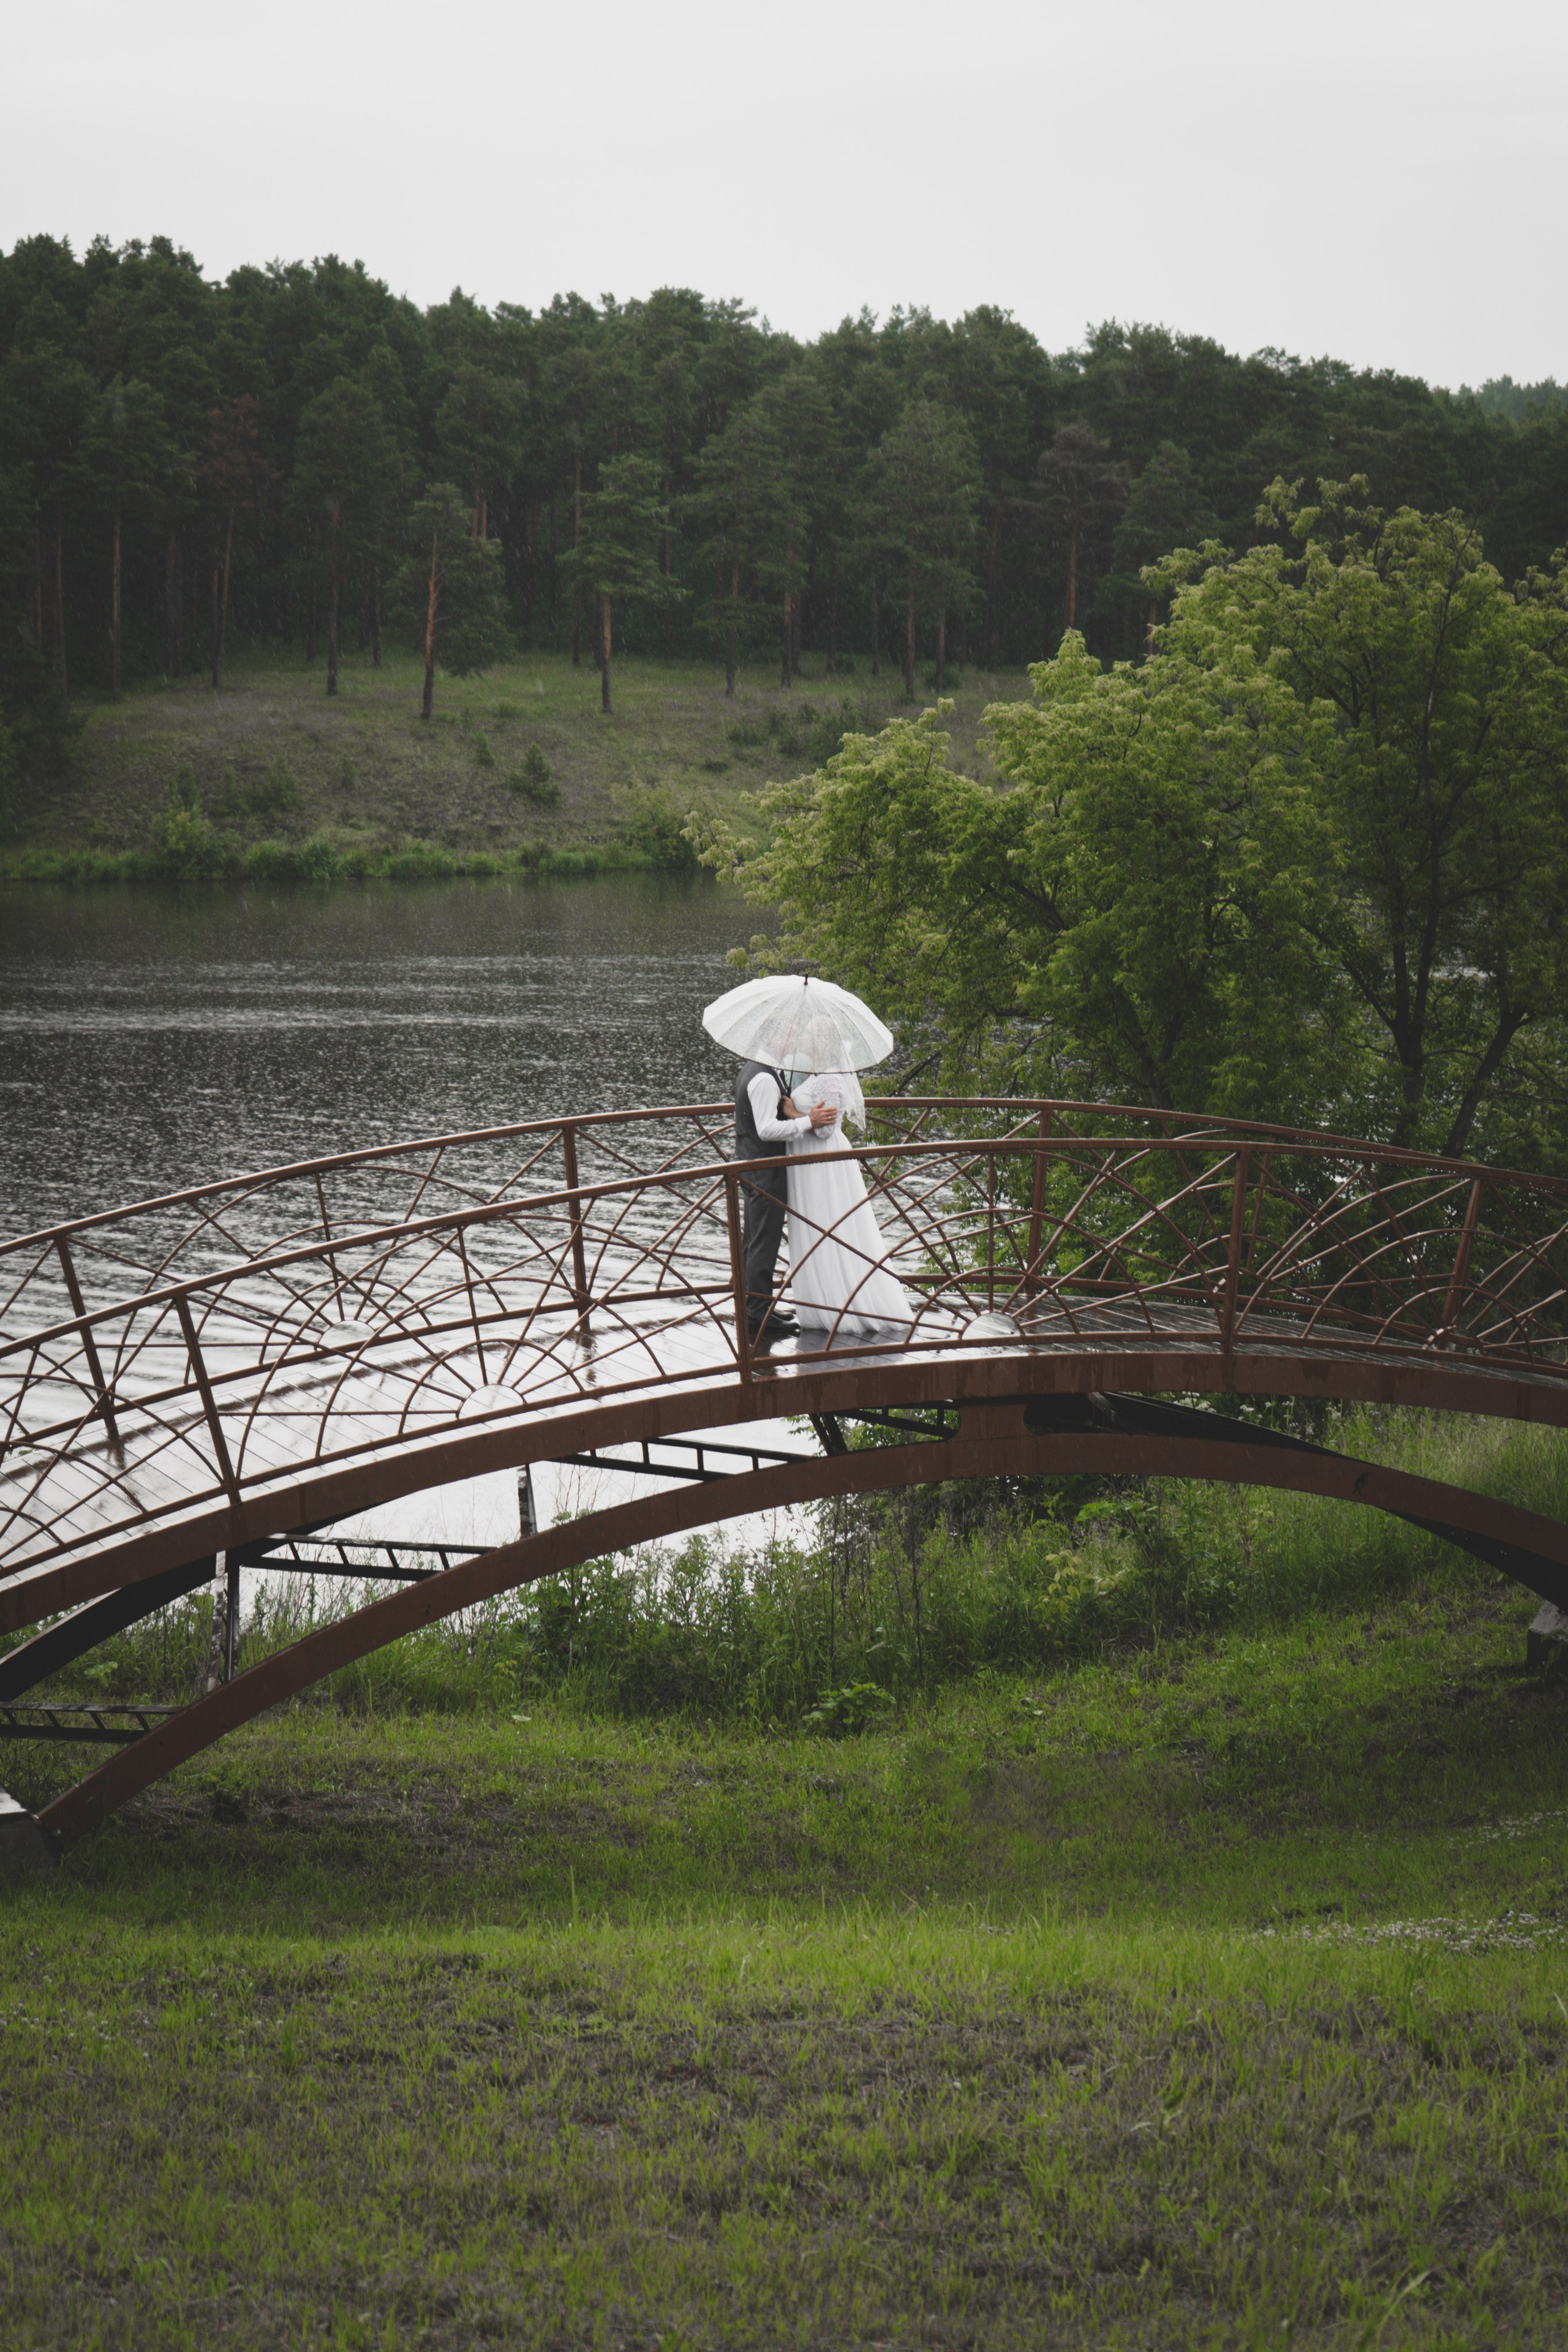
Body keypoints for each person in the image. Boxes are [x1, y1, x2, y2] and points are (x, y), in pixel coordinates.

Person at [783, 1028, 912, 1340]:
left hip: (823, 1162)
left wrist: (791, 1112)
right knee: (814, 1226)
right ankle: (818, 1303)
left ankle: (843, 1305)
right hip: (808, 1164)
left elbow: (825, 1131)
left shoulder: (829, 1077)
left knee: (831, 1224)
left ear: (821, 1042)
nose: (802, 1040)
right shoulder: (813, 1074)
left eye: (807, 1036)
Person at [733, 1054, 836, 1342]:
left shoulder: (754, 1069)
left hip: (753, 1166)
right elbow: (766, 1130)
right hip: (765, 1169)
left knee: (755, 1238)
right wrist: (807, 1122)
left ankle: (757, 1306)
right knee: (763, 1242)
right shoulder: (765, 1078)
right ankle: (756, 1313)